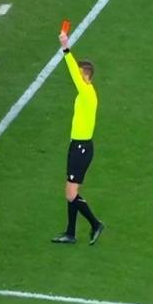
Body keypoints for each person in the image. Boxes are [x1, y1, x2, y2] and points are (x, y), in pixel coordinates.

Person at [52, 32, 104, 245]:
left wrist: (66, 48)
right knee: (70, 192)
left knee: (71, 193)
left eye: (80, 73)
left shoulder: (86, 92)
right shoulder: (87, 94)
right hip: (78, 146)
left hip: (81, 148)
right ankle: (71, 232)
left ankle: (95, 224)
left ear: (86, 76)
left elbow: (73, 71)